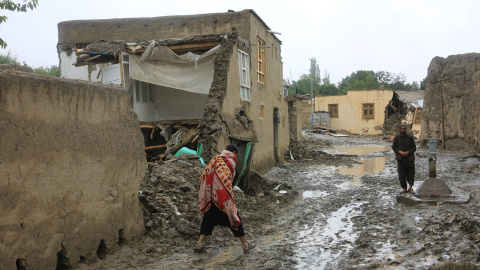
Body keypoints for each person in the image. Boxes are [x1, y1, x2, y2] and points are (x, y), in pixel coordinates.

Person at [194, 144, 255, 254]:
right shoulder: (230, 163)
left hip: (212, 199)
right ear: (234, 153)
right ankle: (245, 246)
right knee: (235, 219)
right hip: (224, 200)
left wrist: (209, 191)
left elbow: (204, 175)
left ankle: (199, 244)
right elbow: (227, 180)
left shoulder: (215, 160)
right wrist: (225, 195)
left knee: (208, 220)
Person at [392, 123, 417, 194]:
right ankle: (404, 188)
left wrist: (408, 152)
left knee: (411, 174)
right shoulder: (396, 138)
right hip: (400, 159)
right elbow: (394, 147)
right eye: (402, 129)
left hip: (410, 159)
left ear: (406, 130)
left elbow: (414, 147)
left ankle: (410, 187)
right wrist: (399, 152)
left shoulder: (410, 137)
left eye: (404, 129)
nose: (403, 130)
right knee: (401, 175)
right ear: (399, 130)